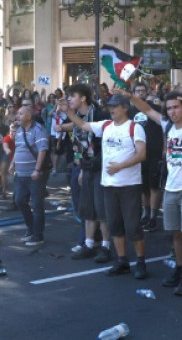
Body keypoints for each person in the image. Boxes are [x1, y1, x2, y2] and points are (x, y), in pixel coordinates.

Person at [126, 85, 182, 296]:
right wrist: (129, 96)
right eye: (169, 108)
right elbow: (146, 110)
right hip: (171, 187)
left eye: (176, 107)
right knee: (175, 233)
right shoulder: (168, 127)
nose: (172, 111)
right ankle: (180, 269)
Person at [66, 94, 148, 279]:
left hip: (129, 186)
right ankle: (122, 260)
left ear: (125, 108)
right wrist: (69, 112)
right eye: (110, 106)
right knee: (114, 225)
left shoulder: (135, 128)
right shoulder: (105, 126)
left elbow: (142, 154)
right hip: (109, 185)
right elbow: (83, 125)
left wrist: (120, 166)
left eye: (115, 106)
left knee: (133, 226)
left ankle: (141, 262)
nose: (111, 109)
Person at [59, 84, 112, 262]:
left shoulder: (98, 115)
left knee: (101, 208)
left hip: (98, 167)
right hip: (83, 165)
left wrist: (88, 165)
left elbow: (104, 144)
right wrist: (81, 166)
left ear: (83, 98)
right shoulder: (79, 116)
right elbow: (78, 137)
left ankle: (106, 245)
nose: (69, 99)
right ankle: (89, 244)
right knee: (87, 207)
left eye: (72, 96)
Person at [9, 105, 50, 246]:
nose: (17, 116)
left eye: (20, 114)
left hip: (34, 174)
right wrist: (12, 164)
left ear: (28, 116)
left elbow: (42, 150)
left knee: (37, 204)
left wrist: (37, 170)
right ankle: (31, 229)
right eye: (18, 114)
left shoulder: (38, 130)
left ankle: (38, 235)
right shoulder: (19, 130)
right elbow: (18, 149)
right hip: (21, 174)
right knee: (20, 200)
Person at [133, 82, 165, 232]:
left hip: (154, 153)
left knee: (154, 186)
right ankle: (145, 214)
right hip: (137, 154)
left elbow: (165, 129)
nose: (140, 93)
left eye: (142, 91)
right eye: (137, 91)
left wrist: (165, 149)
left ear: (147, 92)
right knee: (142, 187)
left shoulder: (156, 109)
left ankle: (153, 216)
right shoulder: (129, 110)